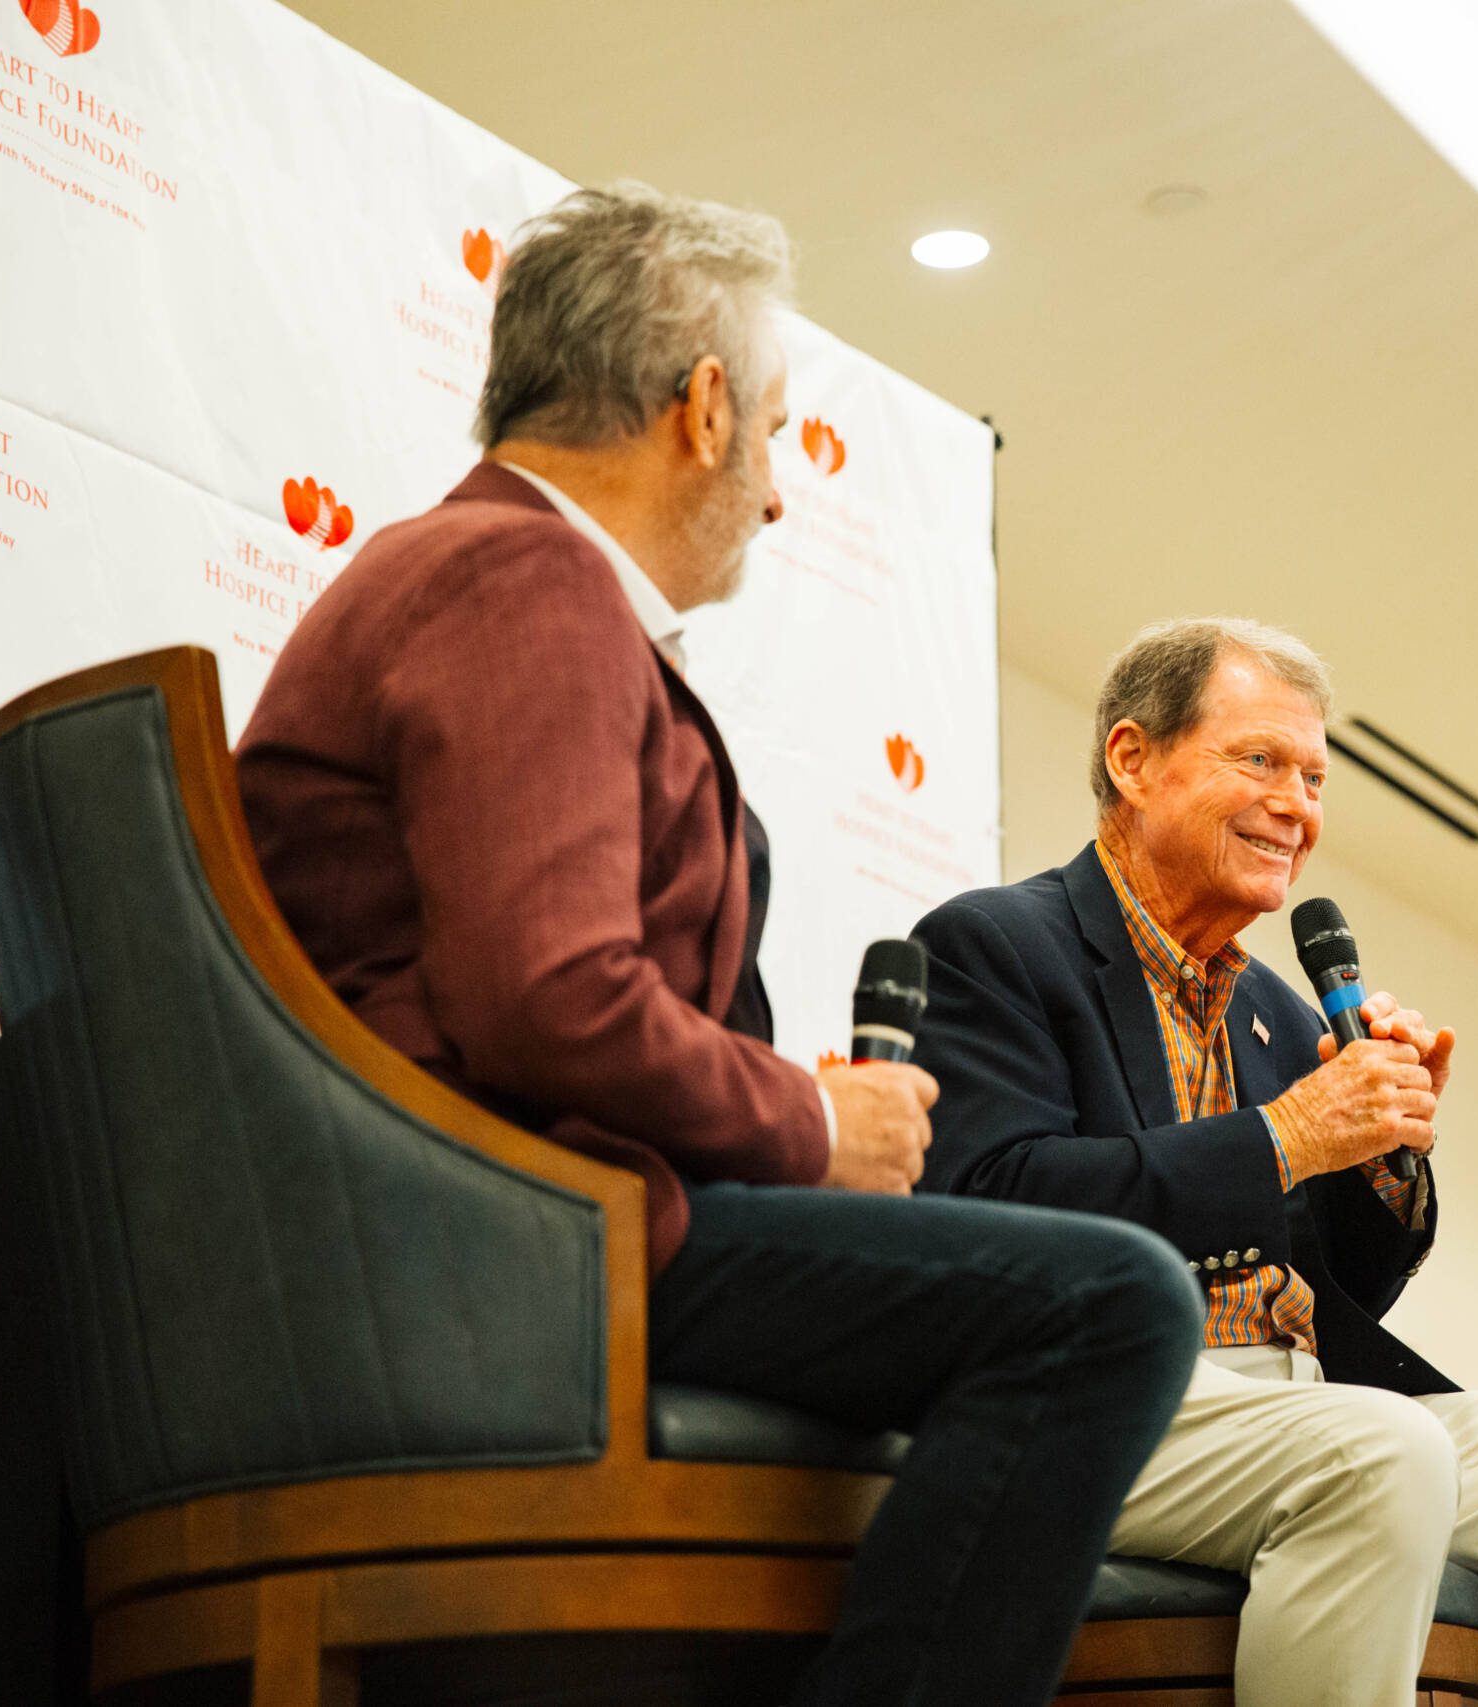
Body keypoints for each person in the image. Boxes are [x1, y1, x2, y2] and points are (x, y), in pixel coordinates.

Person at [234, 183, 1202, 1706]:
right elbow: (549, 995)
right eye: (772, 432)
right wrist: (810, 1122)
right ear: (700, 409)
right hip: (522, 1245)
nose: (776, 496)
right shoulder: (523, 576)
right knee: (1116, 1302)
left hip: (459, 1226)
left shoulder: (465, 569)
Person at [911, 617, 1478, 1706]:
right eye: (1260, 760)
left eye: (1314, 777)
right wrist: (1288, 1136)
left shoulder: (1282, 1016)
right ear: (1133, 759)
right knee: (1382, 1449)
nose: (1296, 805)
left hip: (1310, 1407)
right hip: (1101, 1402)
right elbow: (994, 1208)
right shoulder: (997, 946)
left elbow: (1346, 1287)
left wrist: (1381, 1158)